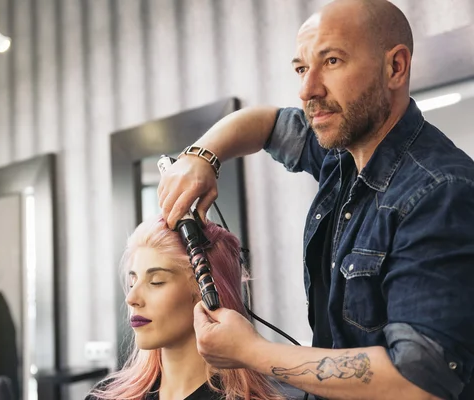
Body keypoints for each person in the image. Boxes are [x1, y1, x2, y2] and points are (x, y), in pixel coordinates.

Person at [157, 0, 474, 399]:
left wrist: (251, 351)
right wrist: (202, 155)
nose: (308, 89)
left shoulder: (440, 192)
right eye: (302, 68)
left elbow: (417, 382)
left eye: (333, 61)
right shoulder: (341, 153)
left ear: (395, 67)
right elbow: (267, 124)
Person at [85, 216, 284, 400]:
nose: (131, 298)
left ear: (206, 294)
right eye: (132, 282)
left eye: (156, 282)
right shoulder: (106, 395)